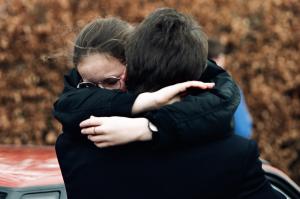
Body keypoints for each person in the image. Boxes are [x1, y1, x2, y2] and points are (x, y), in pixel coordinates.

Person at [54, 9, 283, 198]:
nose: (101, 93)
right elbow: (68, 102)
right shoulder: (235, 156)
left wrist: (150, 127)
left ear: (133, 67)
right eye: (88, 86)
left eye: (112, 81)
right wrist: (146, 105)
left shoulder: (72, 148)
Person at [208, 38, 253, 138]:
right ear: (217, 58)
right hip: (233, 143)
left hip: (240, 141)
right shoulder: (214, 85)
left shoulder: (229, 81)